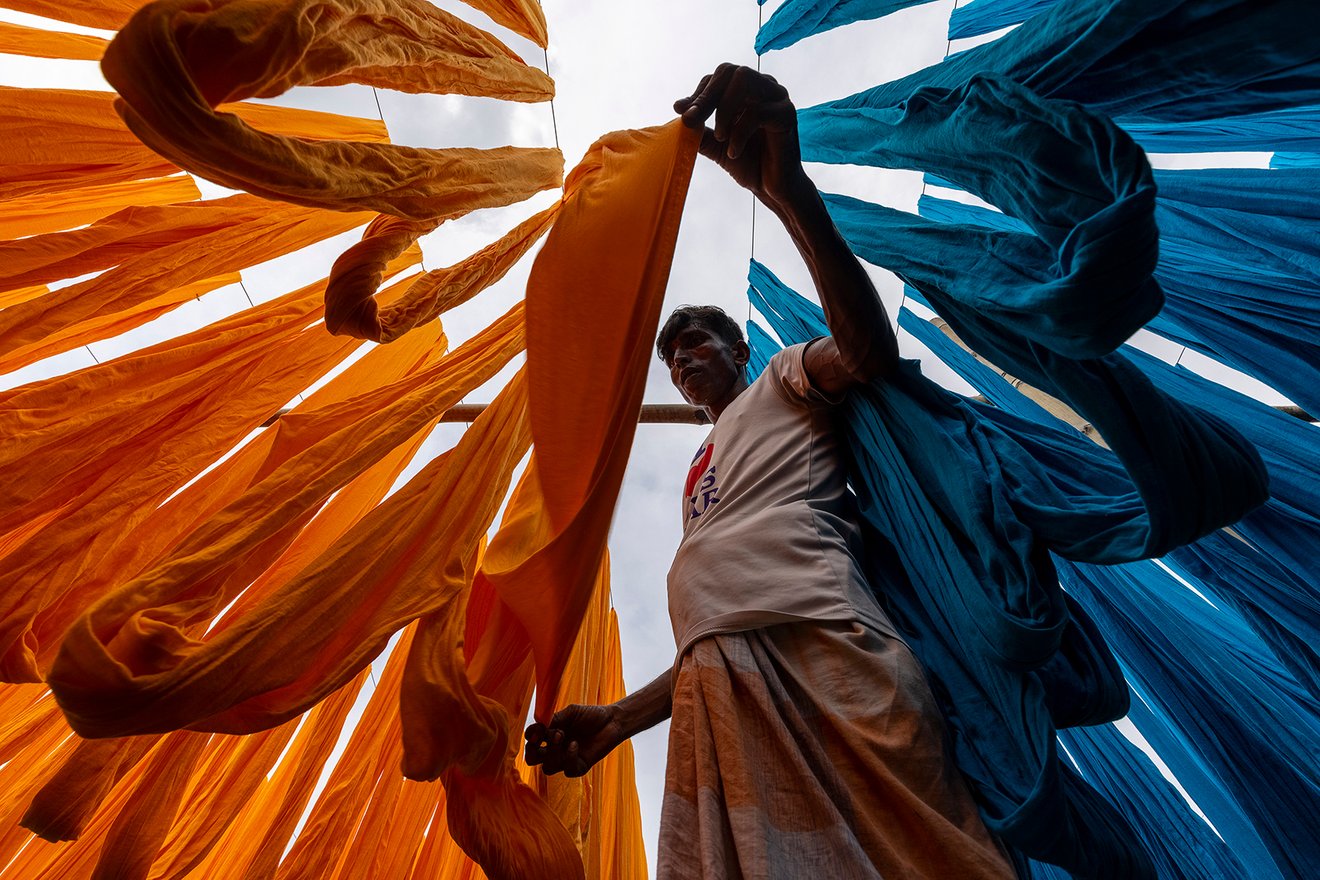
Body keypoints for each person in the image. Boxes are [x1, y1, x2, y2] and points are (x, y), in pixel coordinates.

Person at [525, 64, 1016, 879]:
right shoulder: (697, 469)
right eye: (674, 356)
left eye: (698, 343)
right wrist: (619, 717)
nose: (683, 360)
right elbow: (718, 620)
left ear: (740, 349)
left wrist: (788, 194)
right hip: (719, 688)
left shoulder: (787, 376)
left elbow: (867, 348)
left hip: (827, 640)